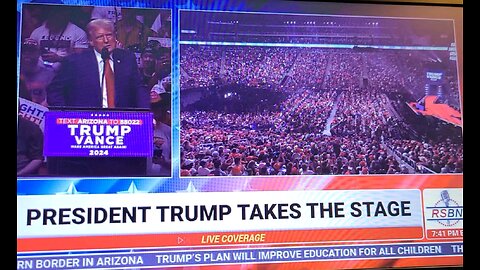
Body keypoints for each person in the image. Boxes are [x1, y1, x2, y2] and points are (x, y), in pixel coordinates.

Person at [46, 18, 149, 109]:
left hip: (121, 121)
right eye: (100, 37)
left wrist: (145, 114)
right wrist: (64, 115)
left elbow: (138, 88)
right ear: (91, 41)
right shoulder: (75, 62)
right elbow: (55, 90)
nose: (106, 40)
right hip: (86, 122)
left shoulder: (127, 58)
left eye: (109, 35)